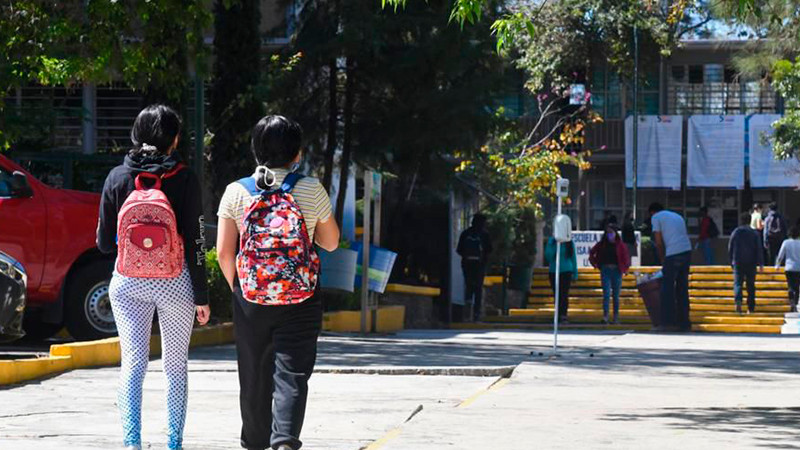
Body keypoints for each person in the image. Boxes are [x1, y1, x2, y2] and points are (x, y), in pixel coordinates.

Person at [216, 115, 340, 450]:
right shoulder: (311, 188)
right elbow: (330, 242)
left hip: (251, 297)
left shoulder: (236, 192)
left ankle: (255, 442)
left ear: (256, 150)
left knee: (254, 373)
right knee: (293, 372)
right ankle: (284, 441)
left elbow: (224, 253)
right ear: (296, 153)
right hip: (301, 298)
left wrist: (242, 290)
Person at [96, 105, 210, 450]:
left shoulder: (117, 177)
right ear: (174, 139)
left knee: (132, 364)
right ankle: (173, 443)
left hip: (128, 284)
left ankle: (132, 443)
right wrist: (202, 296)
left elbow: (103, 244)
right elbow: (197, 241)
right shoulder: (186, 178)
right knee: (175, 366)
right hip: (175, 283)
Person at [649, 202, 692, 331]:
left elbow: (658, 241)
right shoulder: (677, 216)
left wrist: (662, 259)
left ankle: (666, 323)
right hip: (686, 251)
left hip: (673, 253)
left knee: (667, 289)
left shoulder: (656, 217)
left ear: (652, 212)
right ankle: (684, 323)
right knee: (682, 288)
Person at [589, 221, 631, 324]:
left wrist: (625, 269)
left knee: (616, 295)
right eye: (608, 233)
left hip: (617, 270)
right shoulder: (602, 244)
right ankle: (606, 316)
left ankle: (616, 317)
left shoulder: (620, 245)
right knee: (606, 294)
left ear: (616, 233)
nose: (610, 235)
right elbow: (592, 253)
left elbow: (626, 258)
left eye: (612, 232)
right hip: (605, 270)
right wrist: (595, 264)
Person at [456, 214, 493, 321]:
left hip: (467, 265)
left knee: (468, 286)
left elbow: (459, 250)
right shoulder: (484, 234)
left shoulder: (465, 233)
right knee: (478, 289)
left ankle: (467, 312)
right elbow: (489, 250)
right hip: (480, 265)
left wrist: (467, 256)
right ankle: (476, 314)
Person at [729, 212, 765, 314]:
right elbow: (759, 249)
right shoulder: (754, 233)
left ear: (741, 221)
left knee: (738, 283)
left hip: (738, 261)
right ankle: (751, 307)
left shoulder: (736, 232)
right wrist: (761, 263)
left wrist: (731, 260)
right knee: (751, 285)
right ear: (749, 221)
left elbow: (730, 247)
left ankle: (738, 302)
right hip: (751, 262)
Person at [544, 235, 578, 323]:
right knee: (556, 294)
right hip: (554, 270)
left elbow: (573, 258)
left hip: (566, 270)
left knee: (564, 293)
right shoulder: (552, 241)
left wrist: (575, 273)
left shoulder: (569, 242)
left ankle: (563, 314)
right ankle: (558, 314)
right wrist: (554, 244)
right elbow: (548, 256)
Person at [776, 226, 800, 313]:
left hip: (789, 268)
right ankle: (795, 303)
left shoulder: (786, 242)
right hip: (798, 268)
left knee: (790, 286)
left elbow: (780, 255)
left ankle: (791, 303)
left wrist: (777, 265)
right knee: (797, 287)